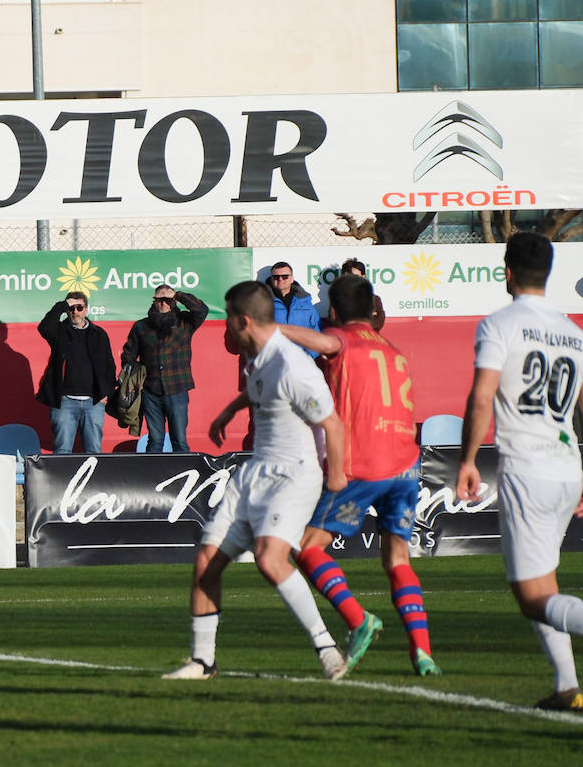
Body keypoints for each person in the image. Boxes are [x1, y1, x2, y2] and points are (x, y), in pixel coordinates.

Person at [163, 280, 349, 681]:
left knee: (269, 558)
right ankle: (202, 661)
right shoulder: (260, 358)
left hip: (292, 474)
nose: (225, 328)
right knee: (205, 565)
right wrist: (227, 413)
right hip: (253, 474)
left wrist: (336, 477)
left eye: (228, 319)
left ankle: (327, 648)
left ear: (243, 320)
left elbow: (332, 425)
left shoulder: (294, 366)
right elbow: (257, 389)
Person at [282, 274, 440, 677]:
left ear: (332, 313)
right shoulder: (394, 350)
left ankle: (358, 618)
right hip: (406, 464)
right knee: (398, 559)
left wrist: (267, 324)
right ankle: (422, 653)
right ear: (372, 310)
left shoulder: (341, 340)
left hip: (364, 464)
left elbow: (320, 343)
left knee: (306, 546)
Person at [457, 231, 583, 711]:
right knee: (544, 582)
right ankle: (567, 688)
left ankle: (568, 685)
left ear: (506, 270)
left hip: (527, 470)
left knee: (531, 596)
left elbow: (482, 396)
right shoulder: (572, 330)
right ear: (548, 273)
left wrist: (468, 460)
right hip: (567, 468)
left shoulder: (500, 324)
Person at [119, 284, 208, 452]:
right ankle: (154, 477)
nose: (163, 303)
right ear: (154, 301)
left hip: (177, 389)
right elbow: (128, 356)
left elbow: (201, 310)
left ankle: (185, 476)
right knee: (155, 441)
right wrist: (137, 376)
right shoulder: (141, 326)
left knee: (179, 440)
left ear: (173, 301)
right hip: (150, 391)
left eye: (167, 300)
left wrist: (179, 295)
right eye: (159, 299)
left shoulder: (184, 322)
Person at [35, 290, 115, 455]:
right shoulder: (59, 331)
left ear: (86, 309)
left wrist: (105, 394)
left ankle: (93, 482)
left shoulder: (99, 334)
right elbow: (43, 327)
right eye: (71, 308)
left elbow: (109, 365)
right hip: (64, 401)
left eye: (79, 307)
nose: (75, 312)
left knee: (93, 451)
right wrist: (63, 305)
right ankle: (61, 482)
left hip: (94, 401)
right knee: (62, 451)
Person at [267, 262, 321, 357]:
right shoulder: (263, 303)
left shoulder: (306, 303)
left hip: (303, 363)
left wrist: (308, 357)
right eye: (276, 277)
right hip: (274, 363)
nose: (280, 279)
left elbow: (317, 334)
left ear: (292, 279)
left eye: (285, 276)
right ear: (271, 279)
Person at [340, 257, 385, 331]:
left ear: (363, 277)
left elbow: (378, 323)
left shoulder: (375, 299)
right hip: (348, 340)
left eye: (356, 276)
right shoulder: (338, 299)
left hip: (370, 340)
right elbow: (336, 321)